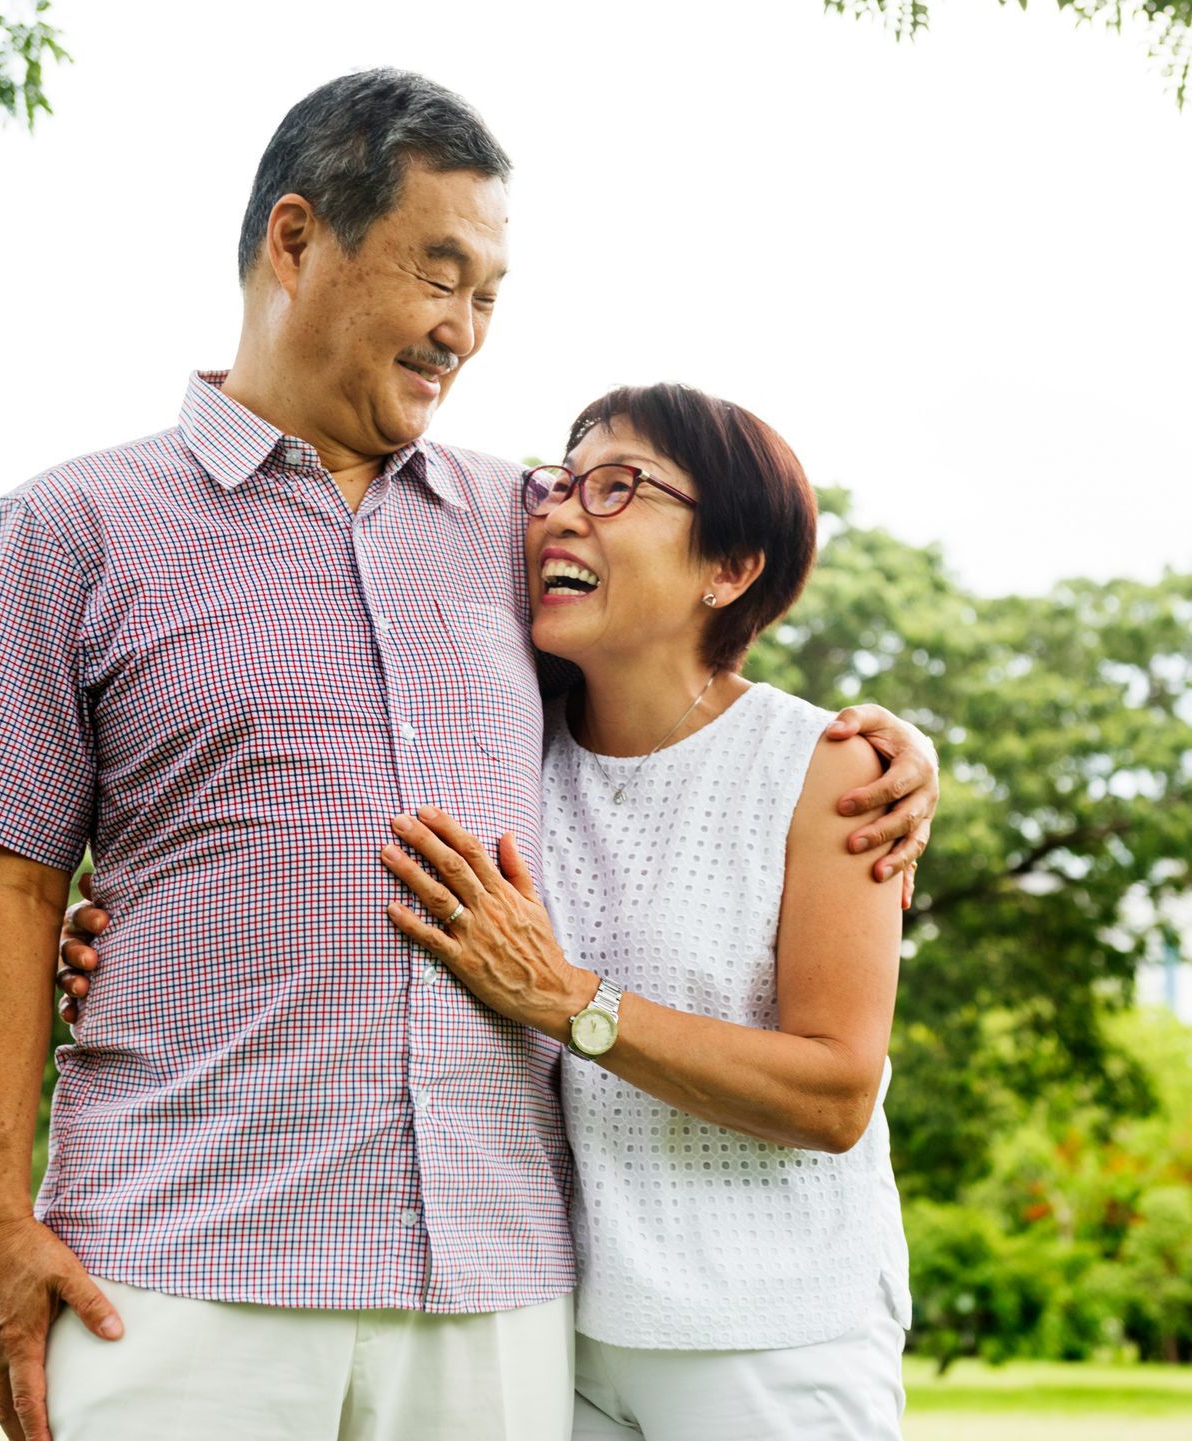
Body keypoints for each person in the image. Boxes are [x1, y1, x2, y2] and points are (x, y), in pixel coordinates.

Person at [0, 70, 936, 1441]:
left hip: (496, 1297)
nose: (464, 332)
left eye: (490, 296)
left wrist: (885, 745)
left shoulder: (518, 522)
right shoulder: (73, 525)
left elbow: (674, 687)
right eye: (438, 275)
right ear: (295, 240)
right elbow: (12, 881)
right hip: (177, 1268)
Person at [65, 382, 915, 1438]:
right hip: (560, 1331)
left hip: (769, 1338)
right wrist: (131, 935)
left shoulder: (831, 767)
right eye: (558, 484)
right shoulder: (513, 749)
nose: (559, 511)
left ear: (731, 569)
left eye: (619, 487)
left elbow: (837, 1092)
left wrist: (569, 1000)